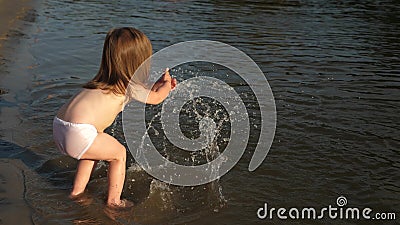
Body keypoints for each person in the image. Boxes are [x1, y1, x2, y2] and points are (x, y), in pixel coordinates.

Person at [53, 27, 177, 208]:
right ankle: (114, 202)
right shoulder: (129, 87)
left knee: (93, 151)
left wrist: (156, 85)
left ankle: (77, 192)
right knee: (119, 154)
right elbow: (156, 98)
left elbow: (142, 89)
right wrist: (166, 84)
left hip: (60, 126)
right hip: (80, 132)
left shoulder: (102, 82)